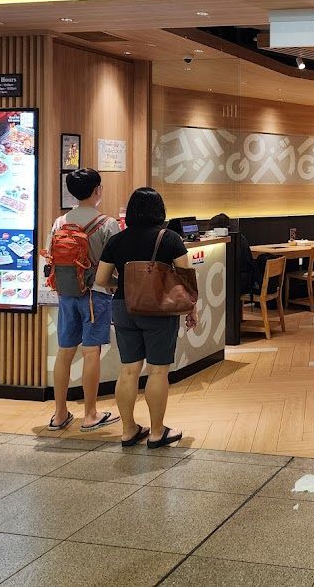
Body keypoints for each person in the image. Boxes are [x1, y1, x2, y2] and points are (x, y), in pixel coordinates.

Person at [95, 187, 196, 449]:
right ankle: (157, 432)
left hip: (123, 308)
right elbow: (186, 277)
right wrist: (191, 309)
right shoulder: (169, 238)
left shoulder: (117, 240)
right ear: (159, 210)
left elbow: (101, 280)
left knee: (128, 370)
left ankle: (129, 431)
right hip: (159, 311)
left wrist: (127, 286)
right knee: (158, 371)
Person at [47, 168, 121, 432]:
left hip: (66, 294)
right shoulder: (108, 223)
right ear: (97, 190)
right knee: (91, 353)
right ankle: (90, 414)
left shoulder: (59, 222)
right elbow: (116, 264)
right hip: (96, 296)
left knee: (64, 352)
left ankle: (59, 414)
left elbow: (51, 259)